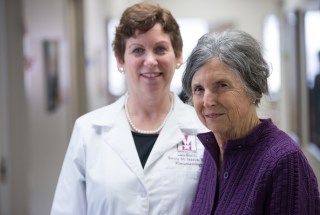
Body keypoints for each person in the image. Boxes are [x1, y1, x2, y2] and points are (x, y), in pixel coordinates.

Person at [51, 2, 207, 215]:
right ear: (120, 59)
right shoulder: (88, 131)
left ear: (178, 55)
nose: (150, 61)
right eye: (138, 50)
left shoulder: (204, 130)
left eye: (160, 48)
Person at [182, 29, 320, 214]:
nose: (207, 101)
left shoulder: (283, 161)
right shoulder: (212, 151)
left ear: (253, 90)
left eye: (222, 85)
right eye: (199, 89)